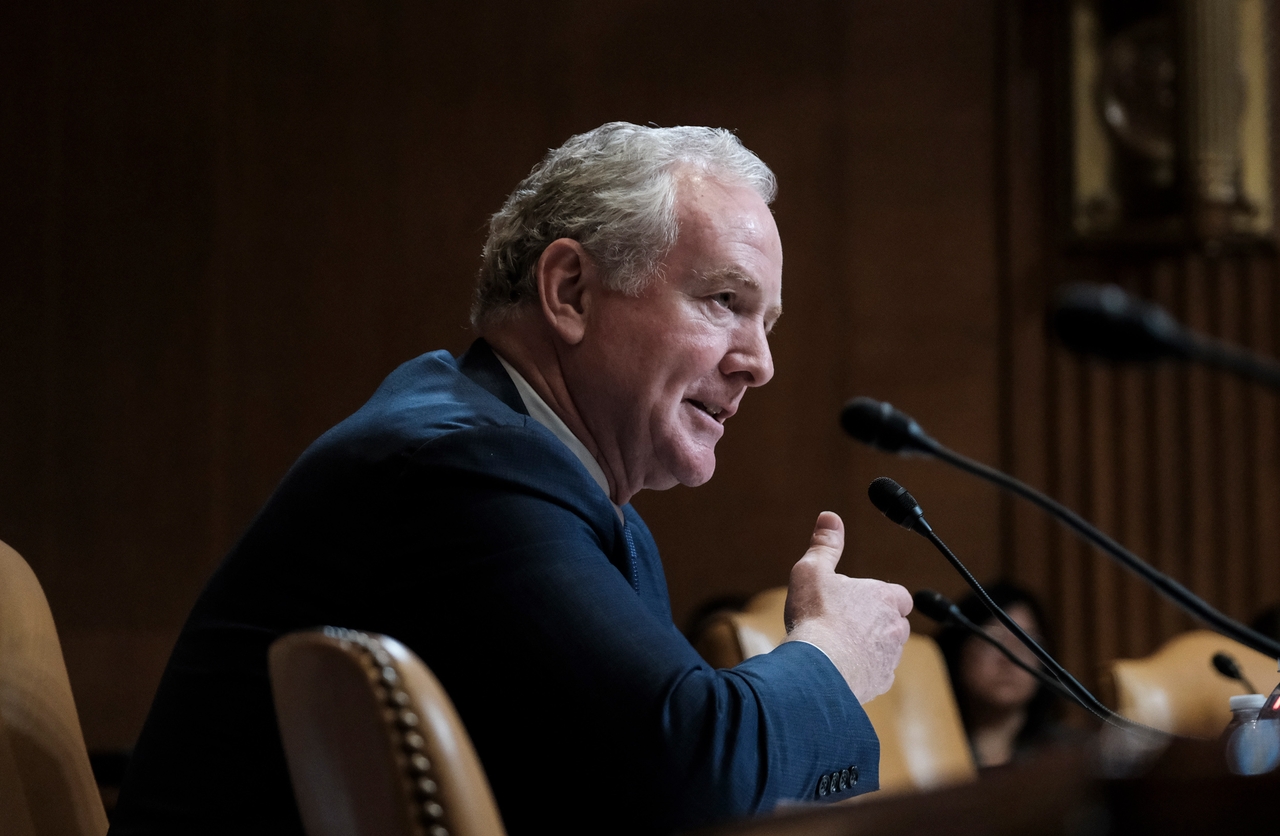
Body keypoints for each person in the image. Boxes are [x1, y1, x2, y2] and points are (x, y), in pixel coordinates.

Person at [109, 122, 913, 836]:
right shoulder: (463, 467)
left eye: (766, 323)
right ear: (569, 292)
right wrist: (832, 653)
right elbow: (690, 770)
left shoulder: (569, 494)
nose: (760, 364)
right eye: (724, 301)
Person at [934, 581, 1071, 769]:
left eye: (1026, 643)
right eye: (992, 639)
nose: (1009, 658)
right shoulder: (926, 753)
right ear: (958, 650)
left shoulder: (1068, 756)